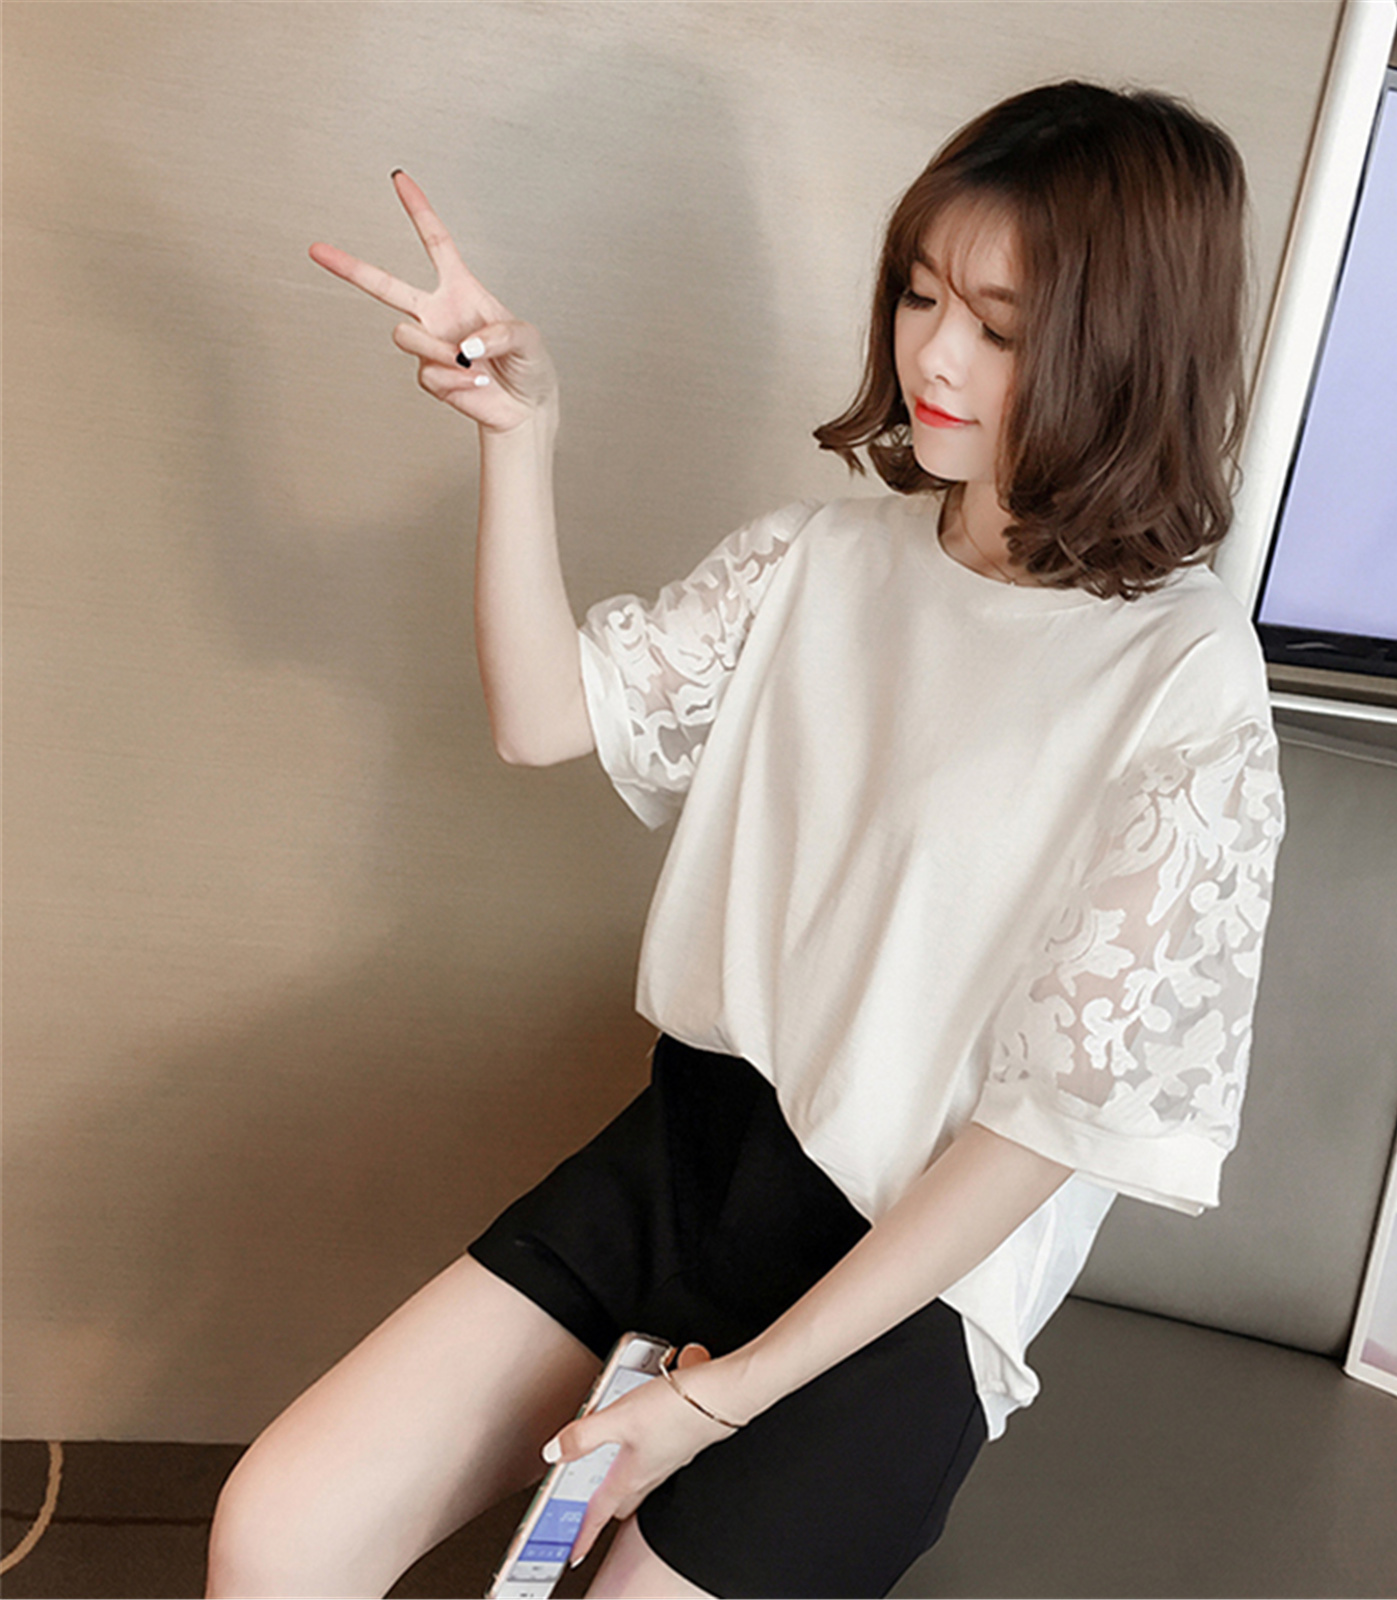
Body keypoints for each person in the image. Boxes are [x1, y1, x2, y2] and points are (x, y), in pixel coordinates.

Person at [208, 81, 1285, 1599]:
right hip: (696, 1154)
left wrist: (718, 1402)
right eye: (920, 294)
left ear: (1126, 350)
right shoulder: (818, 561)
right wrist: (522, 436)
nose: (932, 355)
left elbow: (1055, 1127)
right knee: (275, 1529)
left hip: (912, 1279)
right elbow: (545, 717)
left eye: (1000, 325)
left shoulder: (1183, 678)